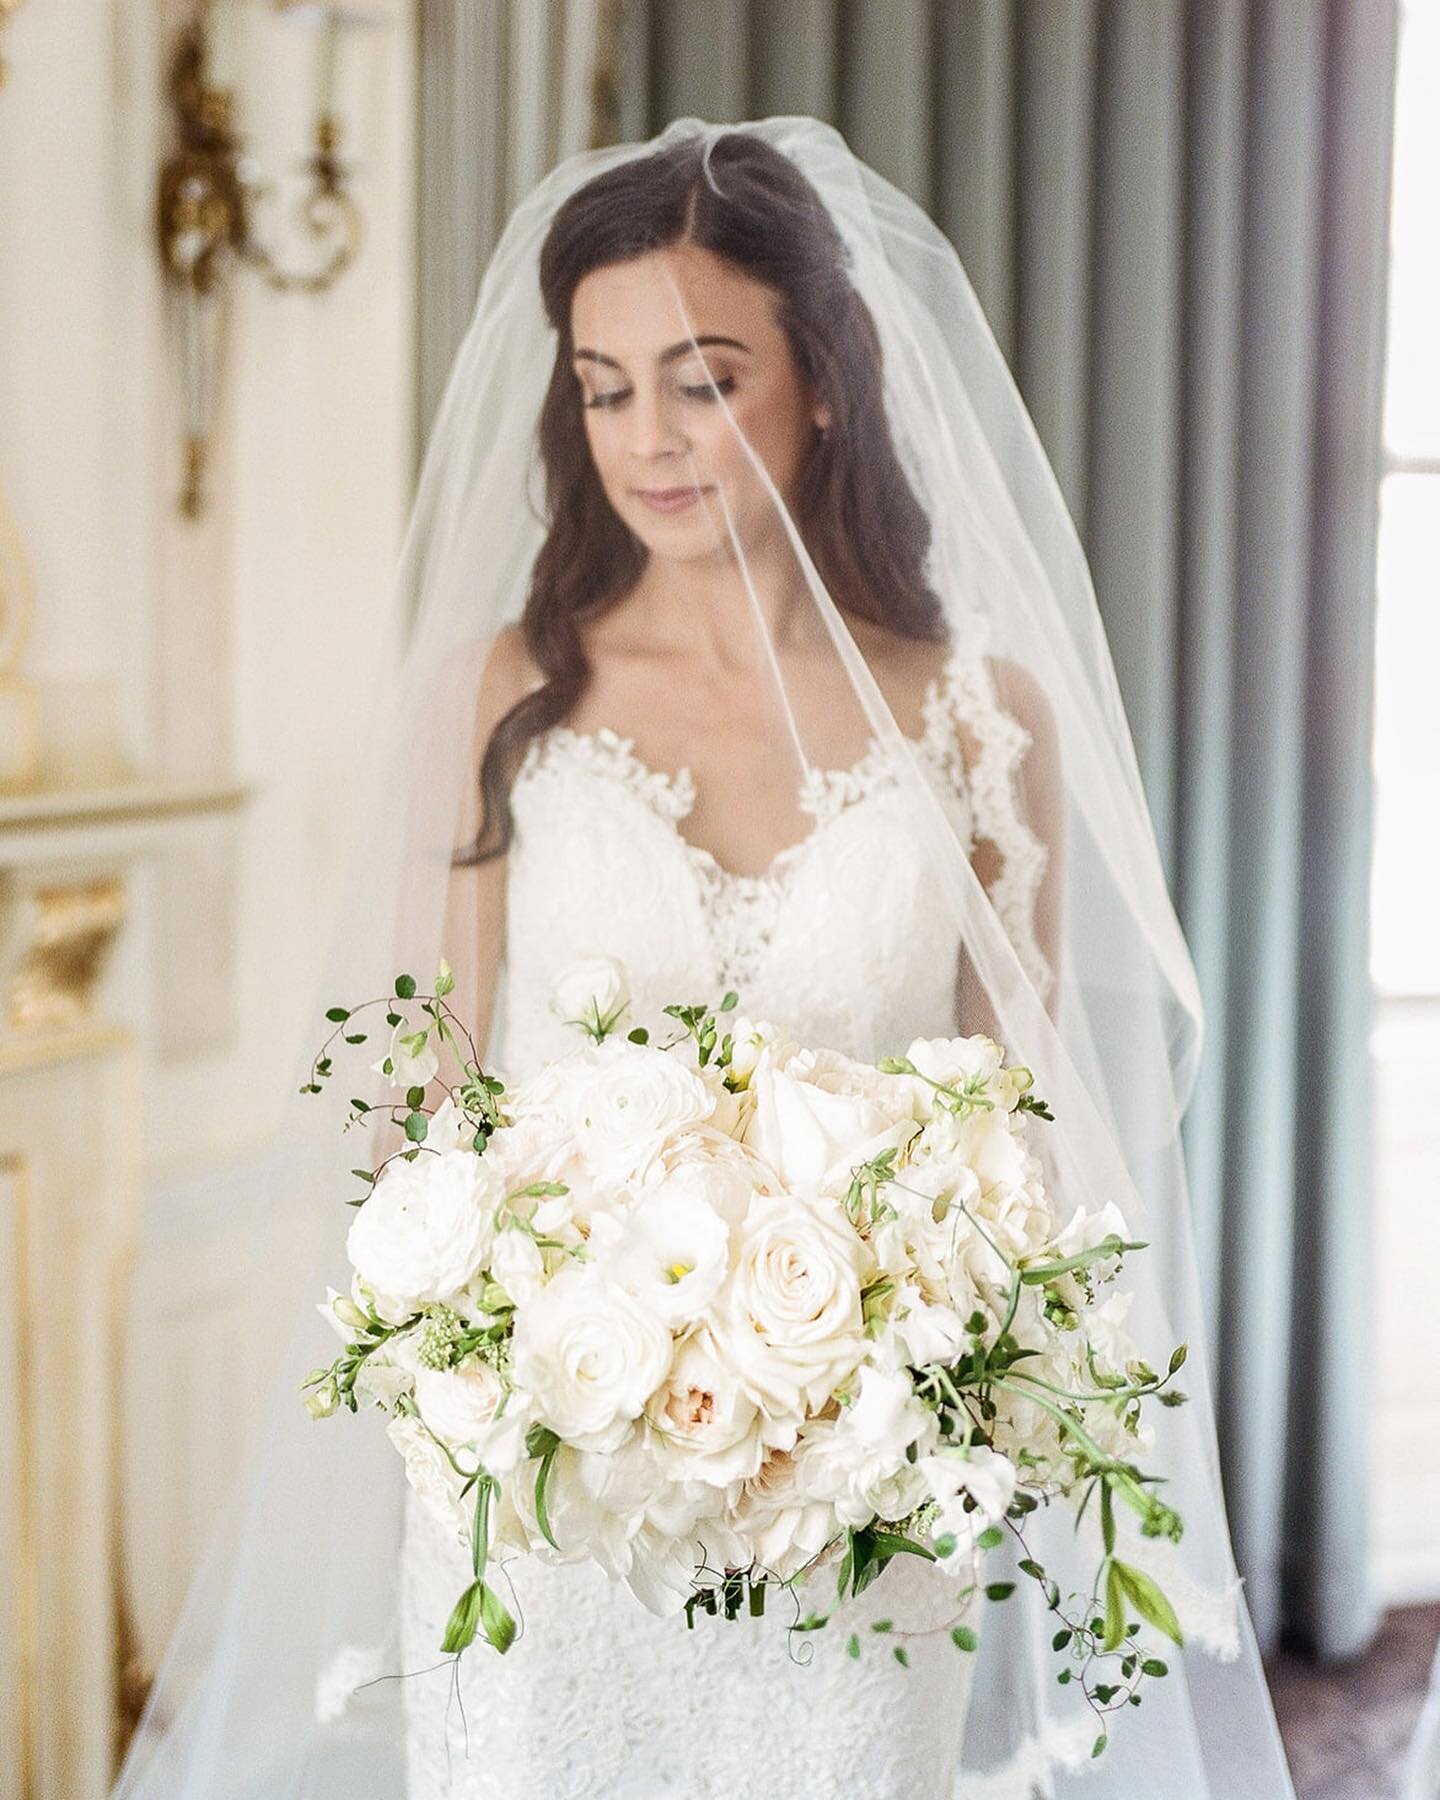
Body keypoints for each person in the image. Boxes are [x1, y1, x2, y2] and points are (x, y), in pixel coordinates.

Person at [113, 117, 1296, 1798]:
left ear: (822, 379)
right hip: (549, 1493)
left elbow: (1027, 1138)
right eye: (605, 388)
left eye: (700, 379)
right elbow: (417, 1116)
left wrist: (909, 1361)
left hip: (857, 1495)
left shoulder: (981, 719)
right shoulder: (499, 698)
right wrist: (496, 1358)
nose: (647, 442)